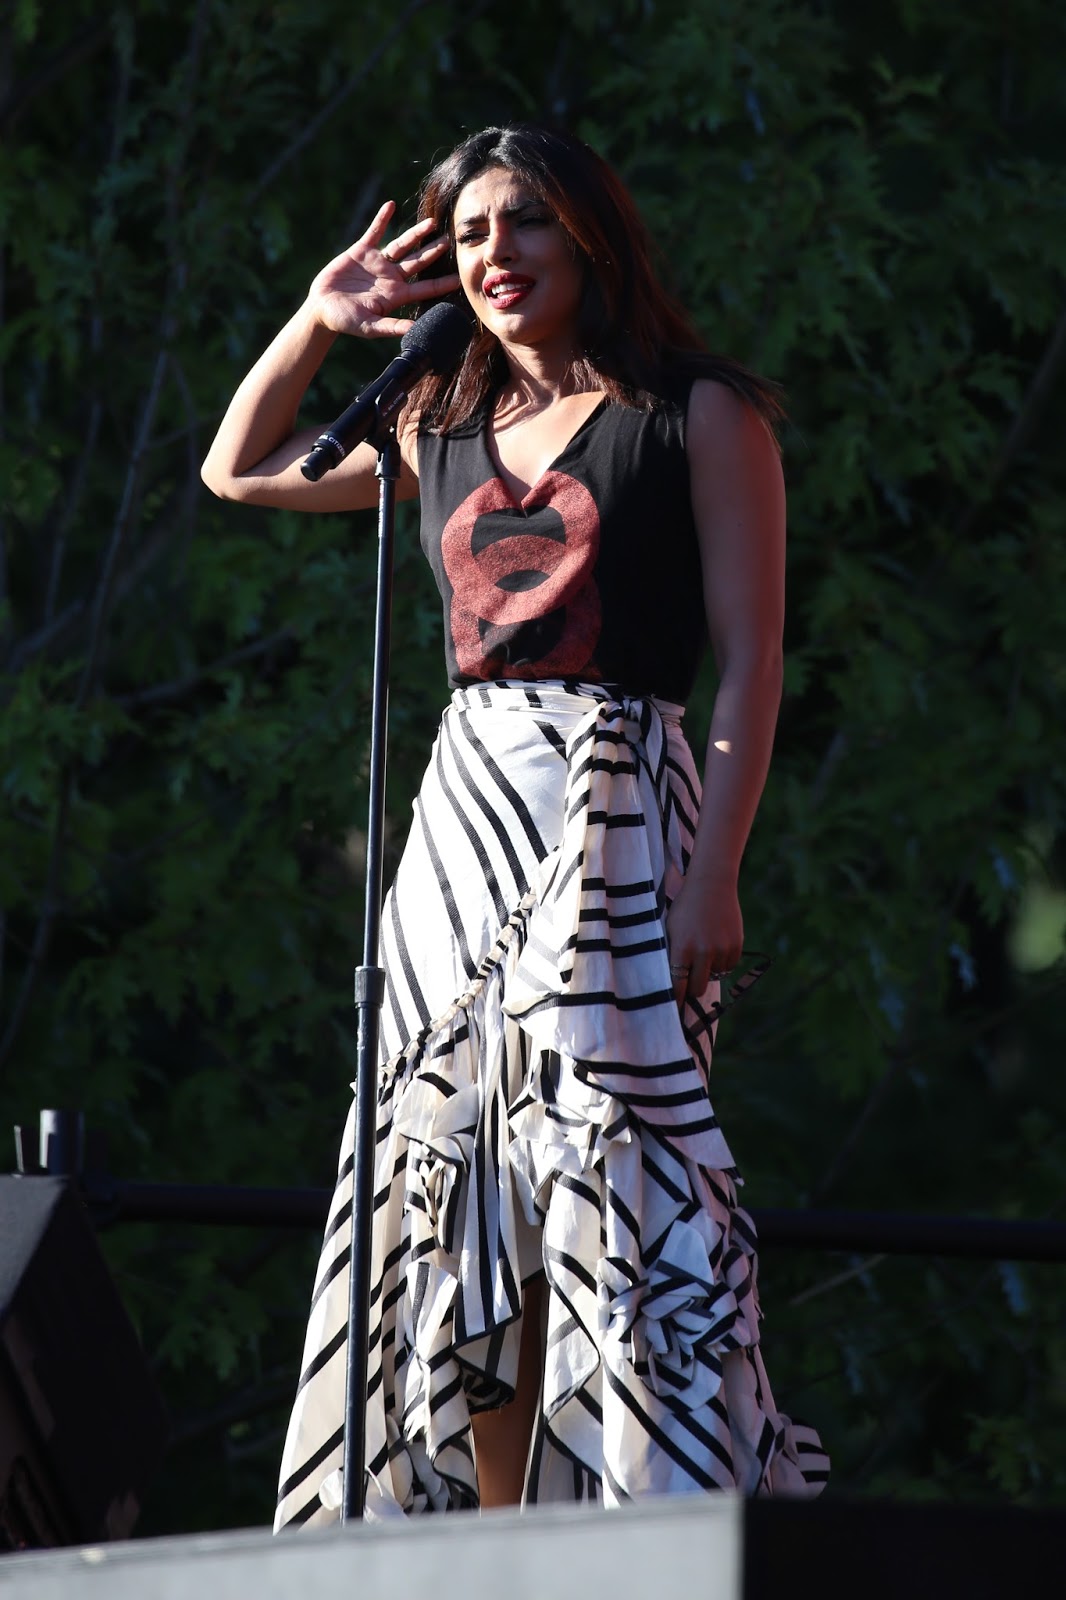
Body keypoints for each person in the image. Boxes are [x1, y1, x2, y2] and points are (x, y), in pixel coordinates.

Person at [202, 123, 829, 1524]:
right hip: (467, 809)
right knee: (456, 1185)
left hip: (621, 804)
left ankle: (625, 1511)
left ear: (592, 237)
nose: (495, 256)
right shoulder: (436, 418)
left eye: (525, 224)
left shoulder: (696, 414)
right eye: (473, 232)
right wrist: (319, 318)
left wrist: (712, 875)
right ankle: (492, 1537)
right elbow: (235, 471)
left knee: (595, 1166)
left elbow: (754, 655)